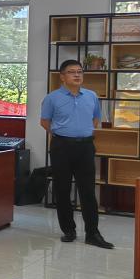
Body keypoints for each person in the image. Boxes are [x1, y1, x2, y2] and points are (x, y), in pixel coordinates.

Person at [40, 59, 112, 249]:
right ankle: (69, 230)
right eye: (72, 72)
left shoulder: (91, 96)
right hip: (61, 146)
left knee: (87, 190)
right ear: (62, 77)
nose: (77, 75)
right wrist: (63, 134)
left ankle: (92, 233)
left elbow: (95, 119)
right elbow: (45, 122)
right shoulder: (52, 98)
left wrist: (81, 132)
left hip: (85, 147)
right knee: (62, 189)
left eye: (80, 71)